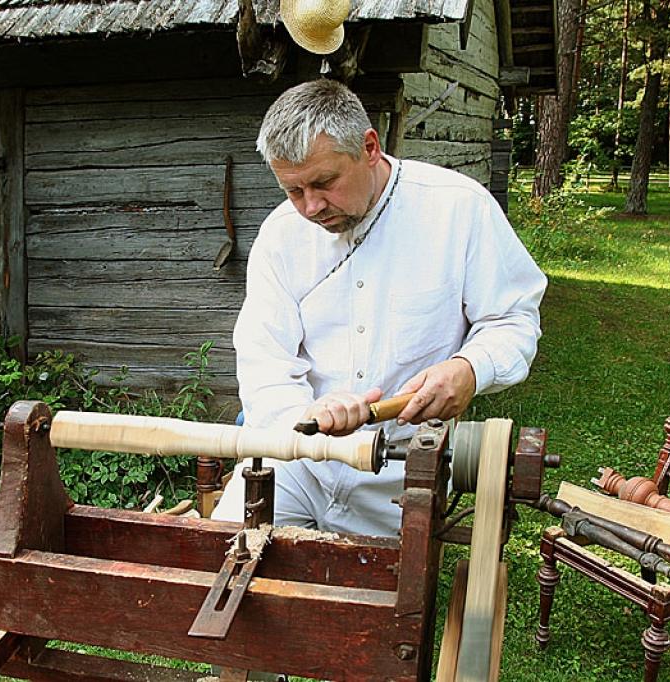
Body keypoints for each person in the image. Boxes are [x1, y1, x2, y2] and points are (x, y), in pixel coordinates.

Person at [211, 79, 547, 536]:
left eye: (324, 182)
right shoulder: (281, 235)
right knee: (218, 563)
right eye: (293, 190)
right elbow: (263, 359)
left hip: (402, 470)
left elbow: (512, 319)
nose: (310, 207)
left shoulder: (457, 209)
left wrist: (470, 367)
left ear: (369, 146)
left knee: (375, 602)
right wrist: (305, 417)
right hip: (294, 461)